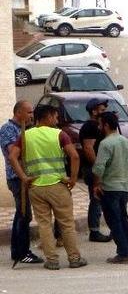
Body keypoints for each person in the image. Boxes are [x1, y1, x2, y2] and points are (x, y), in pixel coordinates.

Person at [8, 105, 86, 270]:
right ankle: (74, 258)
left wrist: (24, 177)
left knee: (44, 224)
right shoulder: (59, 134)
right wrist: (72, 179)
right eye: (55, 117)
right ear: (48, 117)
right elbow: (75, 156)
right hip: (58, 185)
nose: (56, 120)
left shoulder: (25, 135)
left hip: (36, 186)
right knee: (66, 223)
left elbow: (12, 156)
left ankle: (51, 260)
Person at [1, 100, 44, 267]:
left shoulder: (29, 129)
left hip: (29, 176)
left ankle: (17, 250)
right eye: (28, 112)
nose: (32, 116)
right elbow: (14, 153)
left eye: (32, 112)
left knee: (22, 215)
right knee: (24, 214)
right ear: (18, 113)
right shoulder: (8, 129)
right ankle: (22, 252)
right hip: (17, 178)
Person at [92, 111, 128, 264]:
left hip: (110, 188)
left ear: (106, 125)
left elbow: (99, 167)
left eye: (100, 124)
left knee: (113, 220)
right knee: (123, 218)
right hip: (125, 187)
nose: (99, 127)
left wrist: (96, 184)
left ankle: (123, 252)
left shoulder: (105, 143)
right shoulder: (125, 141)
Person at [80, 97, 112, 243]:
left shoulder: (98, 126)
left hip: (97, 168)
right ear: (94, 111)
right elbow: (88, 148)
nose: (105, 112)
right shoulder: (90, 127)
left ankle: (112, 228)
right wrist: (98, 167)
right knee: (97, 199)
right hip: (92, 169)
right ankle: (94, 231)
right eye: (102, 110)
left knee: (101, 199)